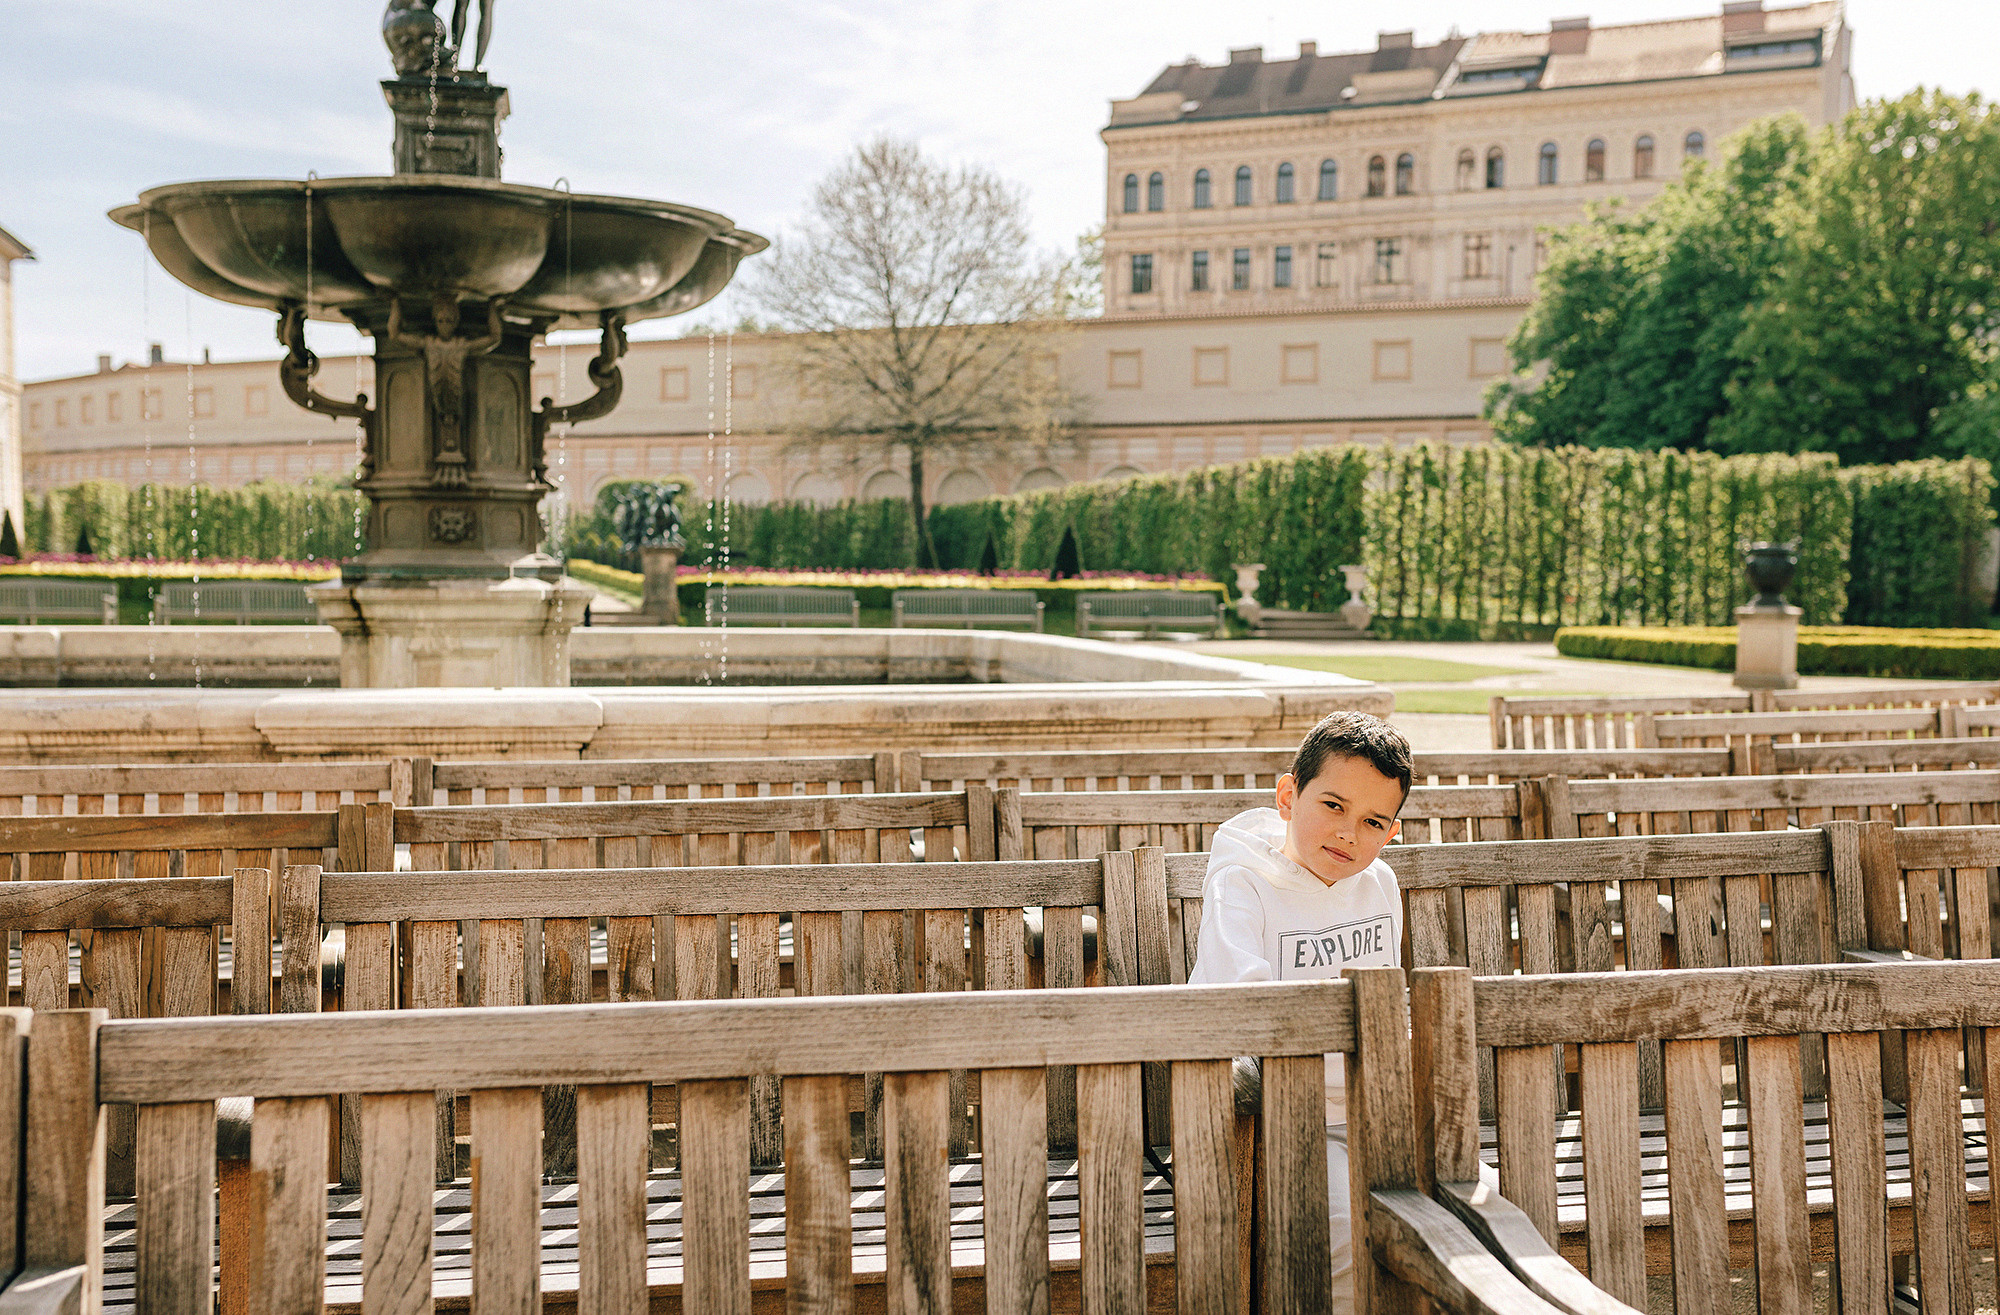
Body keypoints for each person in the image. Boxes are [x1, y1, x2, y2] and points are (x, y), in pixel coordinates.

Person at [1186, 709, 1411, 1313]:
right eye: (1332, 806)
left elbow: (1384, 1001)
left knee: (1474, 1212)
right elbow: (1247, 1011)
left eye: (1372, 822)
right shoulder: (1243, 882)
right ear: (1288, 795)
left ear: (1391, 832)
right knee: (1340, 1236)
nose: (1347, 834)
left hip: (1364, 1107)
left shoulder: (1379, 886)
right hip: (1261, 1113)